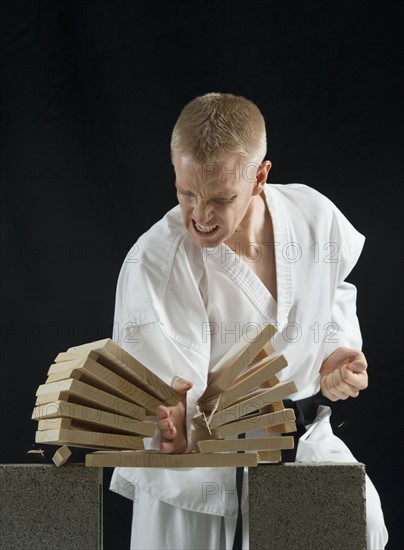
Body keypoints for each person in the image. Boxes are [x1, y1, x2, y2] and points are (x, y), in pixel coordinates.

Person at [110, 93, 388, 549]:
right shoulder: (157, 262)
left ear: (260, 177)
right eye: (186, 193)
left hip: (299, 449)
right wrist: (168, 419)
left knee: (362, 525)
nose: (199, 215)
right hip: (199, 487)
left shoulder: (311, 217)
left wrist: (335, 354)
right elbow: (158, 397)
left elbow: (333, 290)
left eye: (220, 198)